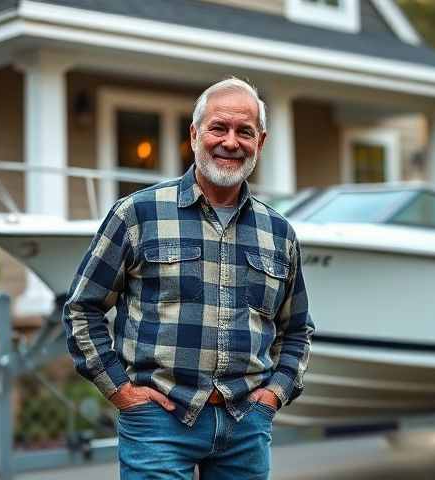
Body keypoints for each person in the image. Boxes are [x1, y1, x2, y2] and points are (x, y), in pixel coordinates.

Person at [62, 77, 314, 479]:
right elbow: (82, 309)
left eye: (244, 132)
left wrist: (274, 395)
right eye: (219, 127)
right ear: (195, 133)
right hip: (157, 423)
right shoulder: (137, 214)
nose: (230, 141)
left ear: (260, 143)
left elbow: (297, 329)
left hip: (246, 424)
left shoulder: (279, 232)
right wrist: (121, 391)